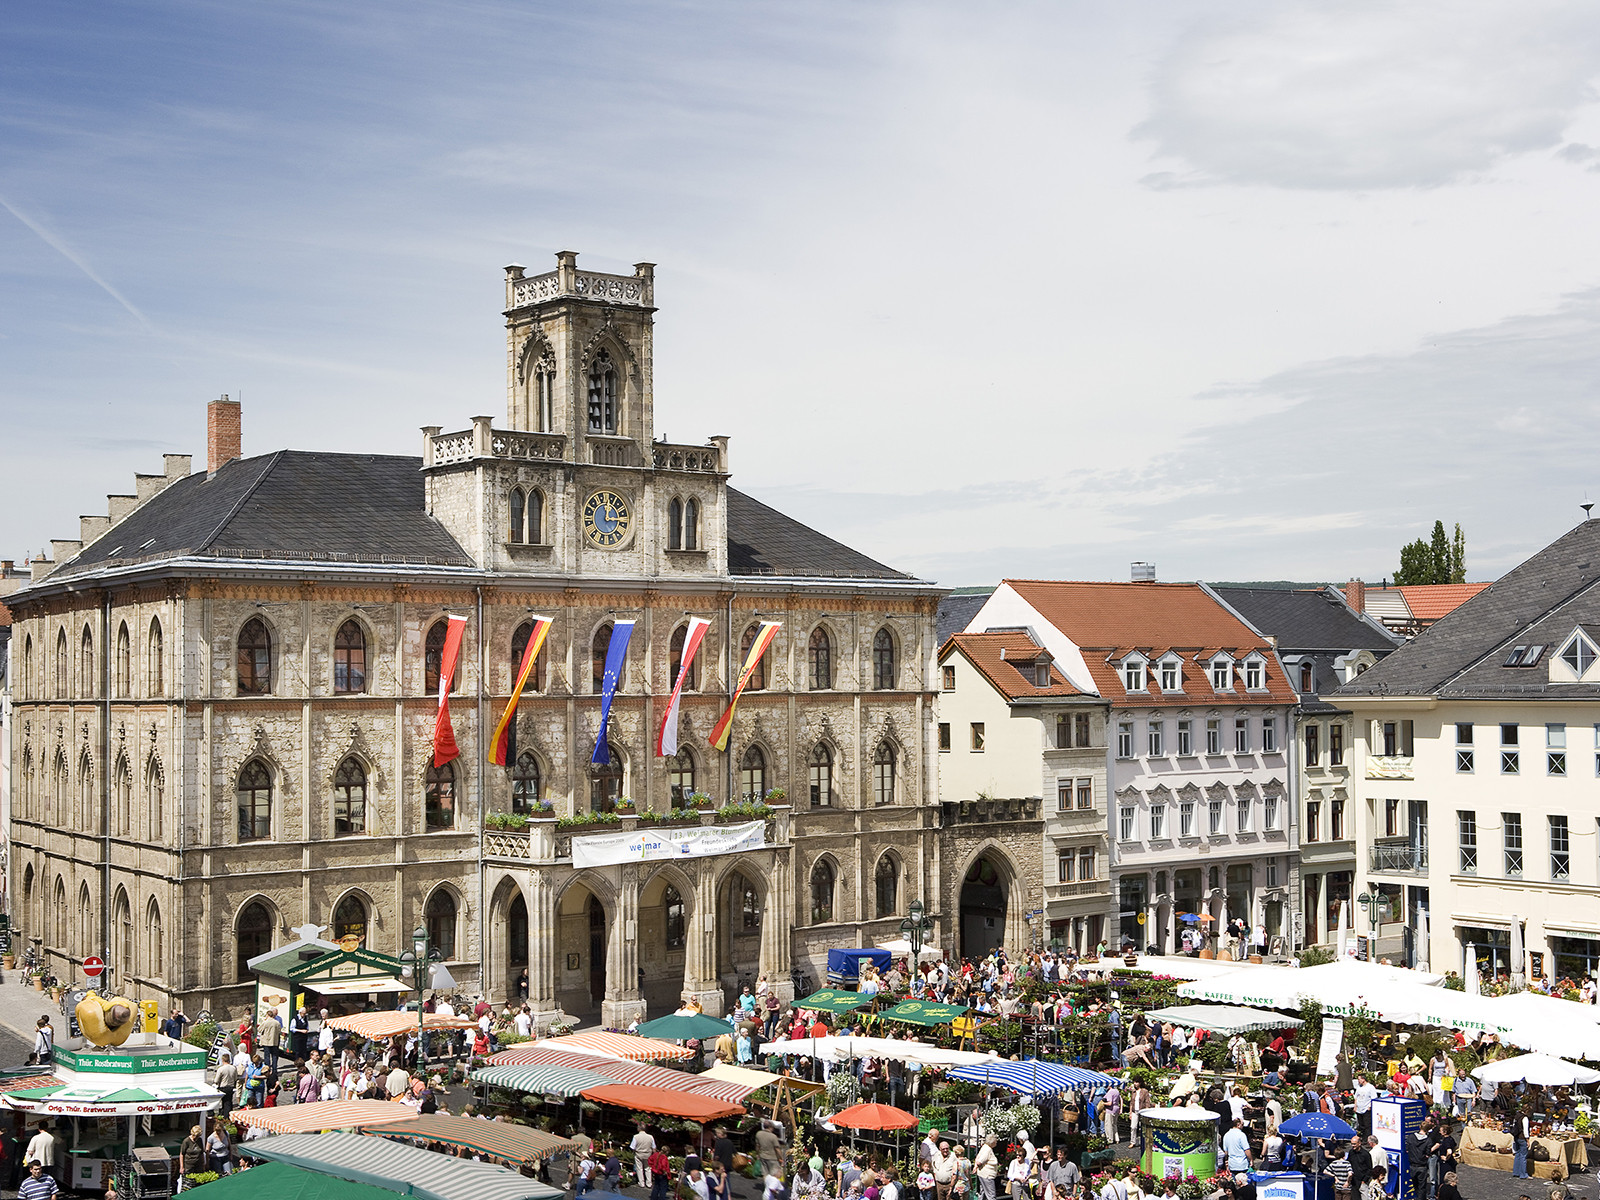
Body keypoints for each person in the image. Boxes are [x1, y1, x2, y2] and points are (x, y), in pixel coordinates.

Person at [177, 1126, 207, 1191]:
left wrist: (203, 1163)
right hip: (189, 1165)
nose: (196, 1138)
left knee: (199, 1182)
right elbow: (182, 1154)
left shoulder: (200, 1140)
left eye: (198, 1136)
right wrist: (182, 1167)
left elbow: (201, 1152)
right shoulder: (186, 1141)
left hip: (198, 1165)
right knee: (188, 1183)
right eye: (196, 1136)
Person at [974, 1135, 1000, 1200]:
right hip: (987, 1175)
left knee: (983, 1193)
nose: (996, 1143)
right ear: (992, 1142)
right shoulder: (987, 1149)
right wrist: (976, 1165)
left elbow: (978, 1157)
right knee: (991, 1195)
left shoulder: (984, 1147)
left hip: (983, 1174)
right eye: (995, 1142)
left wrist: (975, 1167)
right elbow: (980, 1161)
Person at [633, 1125, 658, 1190]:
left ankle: (641, 1183)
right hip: (648, 1154)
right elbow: (654, 1148)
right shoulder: (650, 1137)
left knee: (639, 1168)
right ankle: (649, 1183)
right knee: (648, 1168)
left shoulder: (636, 1137)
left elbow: (633, 1147)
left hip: (639, 1154)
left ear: (639, 1129)